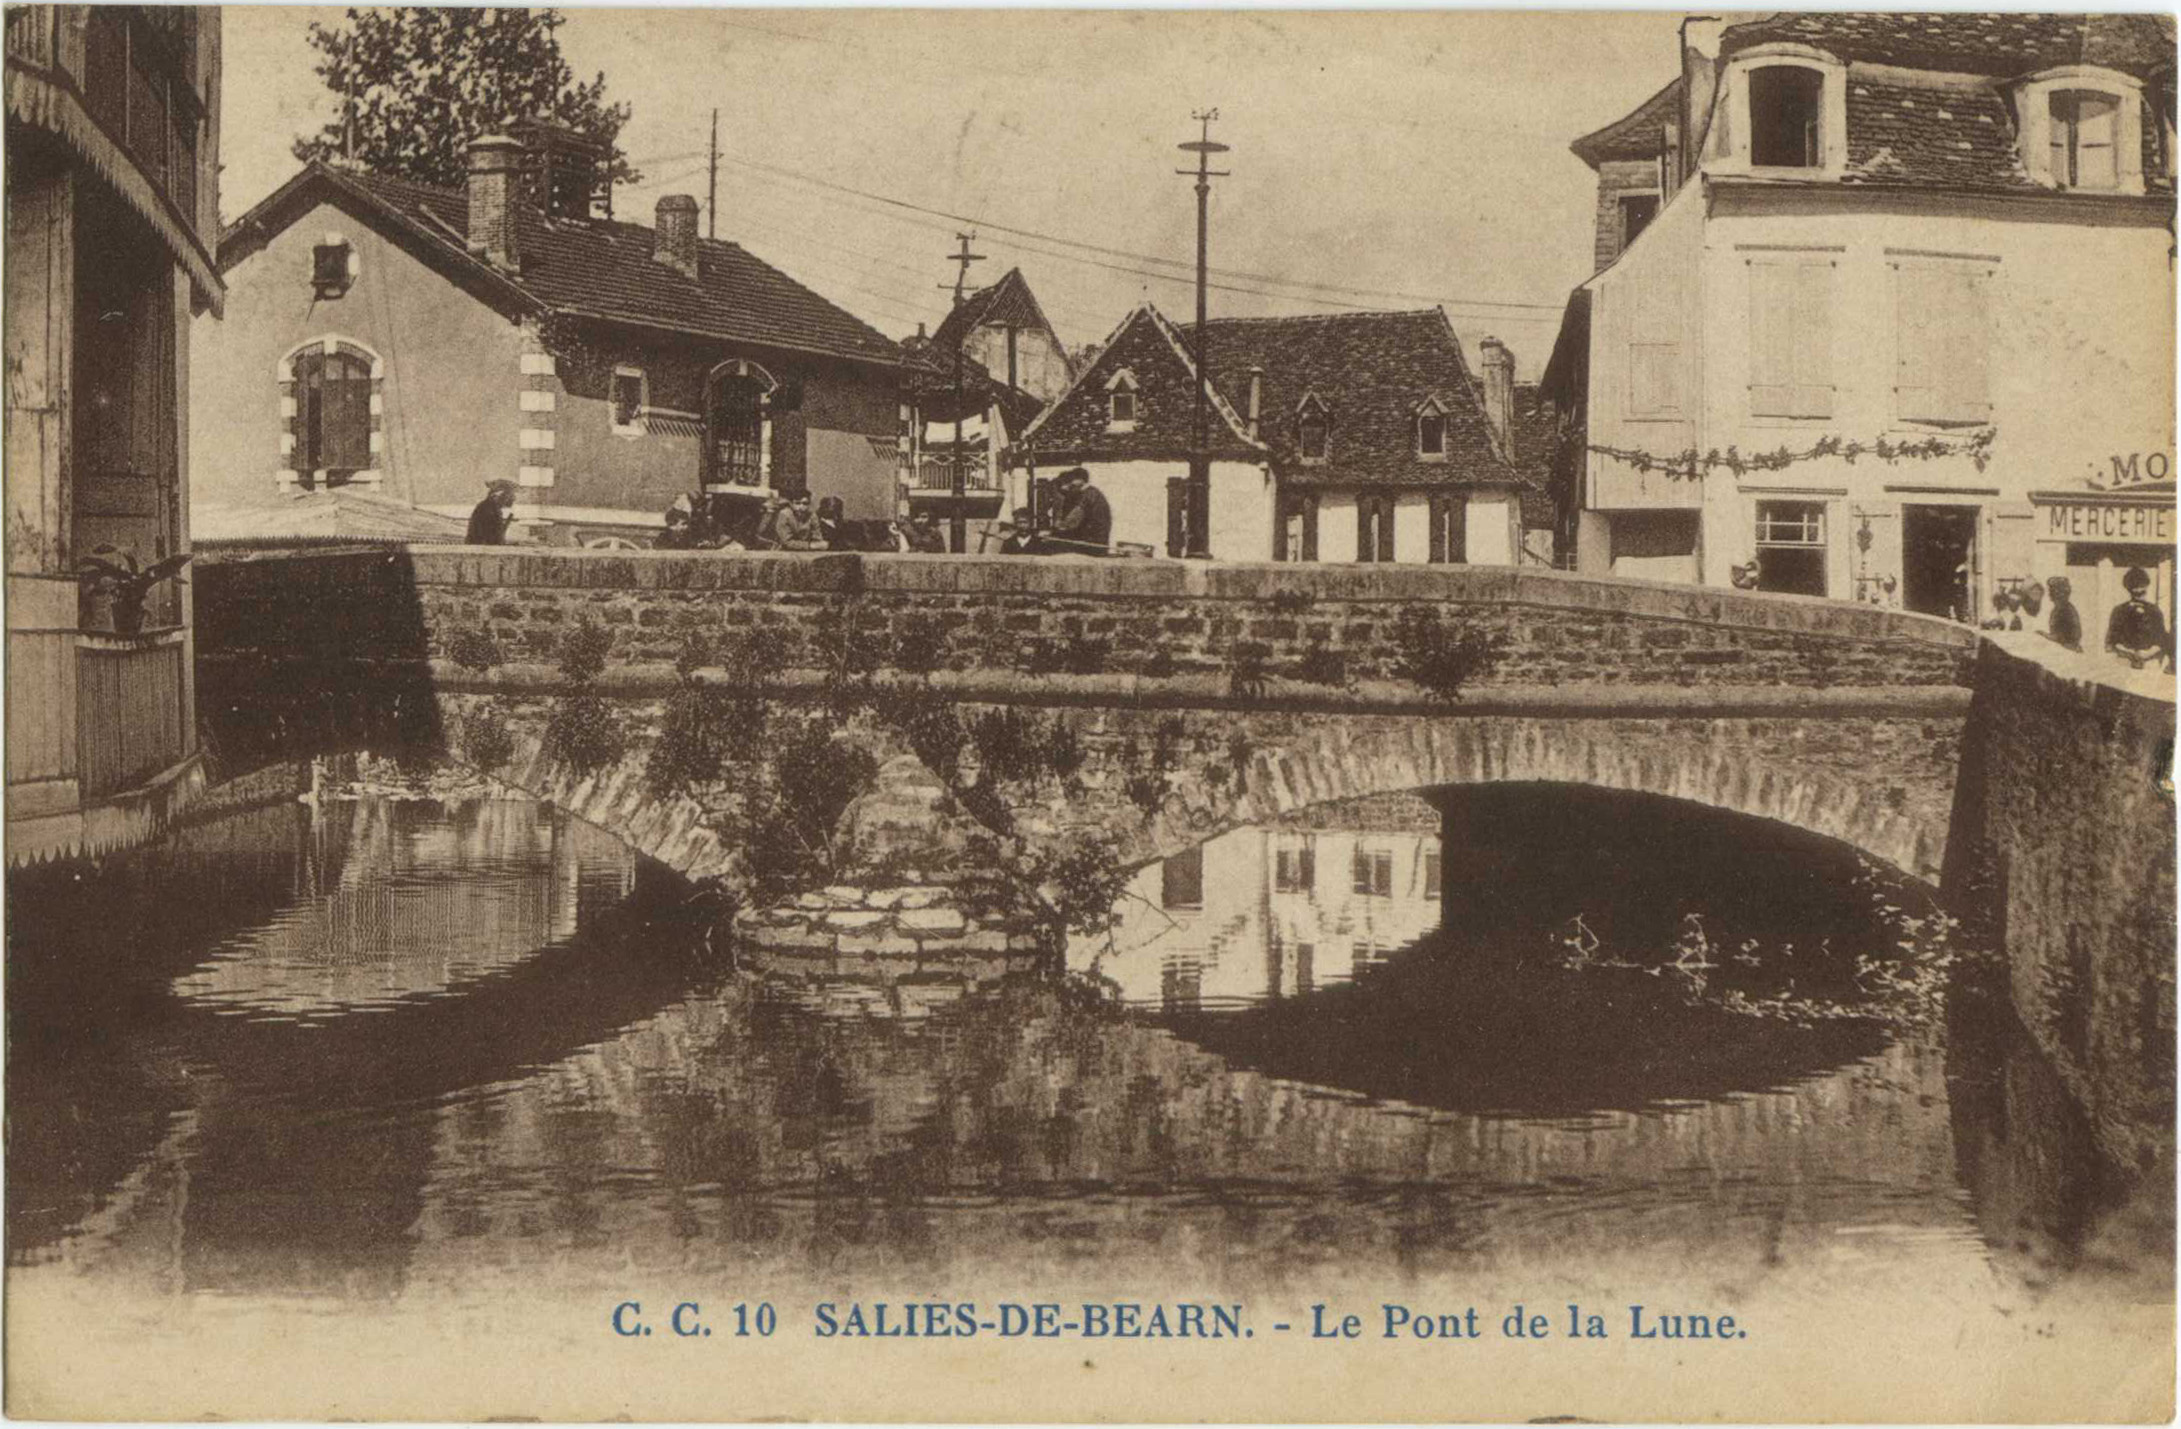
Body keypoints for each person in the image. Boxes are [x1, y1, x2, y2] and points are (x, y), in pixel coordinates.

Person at [2104, 566, 2168, 670]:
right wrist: (2130, 653)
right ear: (2129, 590)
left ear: (2146, 587)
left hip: (2149, 662)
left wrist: (2147, 653)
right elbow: (2111, 641)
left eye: (2142, 592)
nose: (2139, 596)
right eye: (2135, 593)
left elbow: (2162, 641)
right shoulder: (2119, 611)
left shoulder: (2154, 611)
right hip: (2125, 661)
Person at [1046, 467, 1111, 555]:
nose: (1068, 485)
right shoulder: (1091, 492)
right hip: (1096, 543)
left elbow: (1069, 524)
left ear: (1080, 480)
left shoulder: (1089, 495)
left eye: (1071, 481)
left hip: (1093, 545)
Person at [2044, 576, 2083, 653]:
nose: (2049, 593)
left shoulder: (2066, 610)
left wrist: (2044, 635)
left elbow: (2060, 637)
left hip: (2069, 651)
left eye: (2052, 590)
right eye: (2050, 590)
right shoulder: (2058, 609)